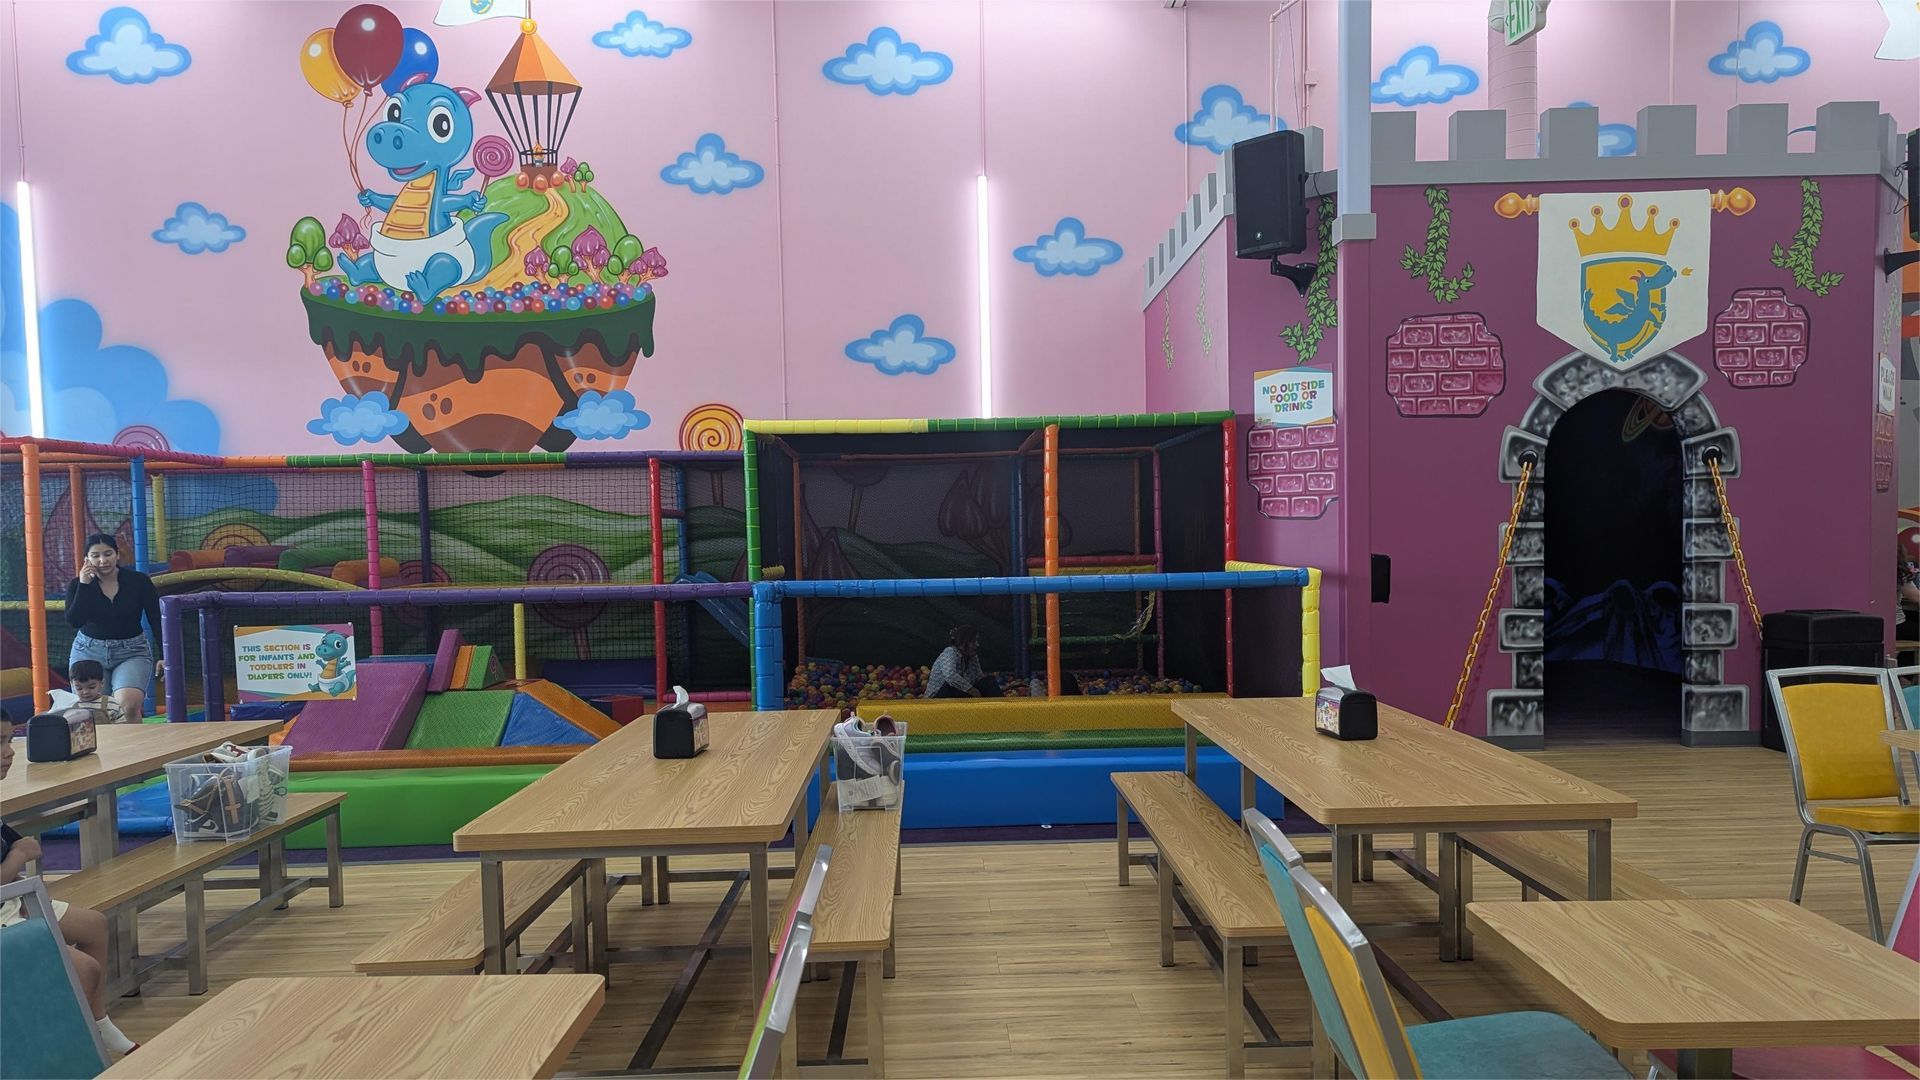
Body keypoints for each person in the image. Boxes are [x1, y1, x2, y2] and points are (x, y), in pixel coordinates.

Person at [0, 715, 138, 1056]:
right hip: (5, 907)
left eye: (9, 740)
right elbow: (19, 852)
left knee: (94, 925)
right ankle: (65, 1047)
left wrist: (17, 866)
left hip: (12, 898)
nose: (9, 752)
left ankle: (98, 1023)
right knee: (85, 970)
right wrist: (18, 857)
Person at [63, 535, 164, 723]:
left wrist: (165, 654)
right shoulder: (77, 585)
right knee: (92, 711)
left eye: (108, 554)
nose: (103, 560)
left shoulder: (138, 581)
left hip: (131, 650)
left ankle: (133, 742)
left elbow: (156, 618)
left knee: (128, 707)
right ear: (87, 560)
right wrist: (84, 585)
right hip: (89, 650)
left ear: (117, 555)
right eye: (96, 556)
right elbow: (74, 621)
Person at [925, 625, 1000, 698]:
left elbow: (979, 678)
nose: (977, 645)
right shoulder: (950, 652)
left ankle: (1001, 704)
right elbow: (950, 675)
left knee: (989, 681)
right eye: (974, 641)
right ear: (963, 643)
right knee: (950, 686)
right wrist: (972, 690)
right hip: (938, 698)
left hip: (959, 695)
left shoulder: (973, 657)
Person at [48, 659, 128, 725]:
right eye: (79, 688)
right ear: (72, 684)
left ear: (102, 683)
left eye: (91, 687)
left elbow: (121, 727)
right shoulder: (70, 704)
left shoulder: (111, 703)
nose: (85, 692)